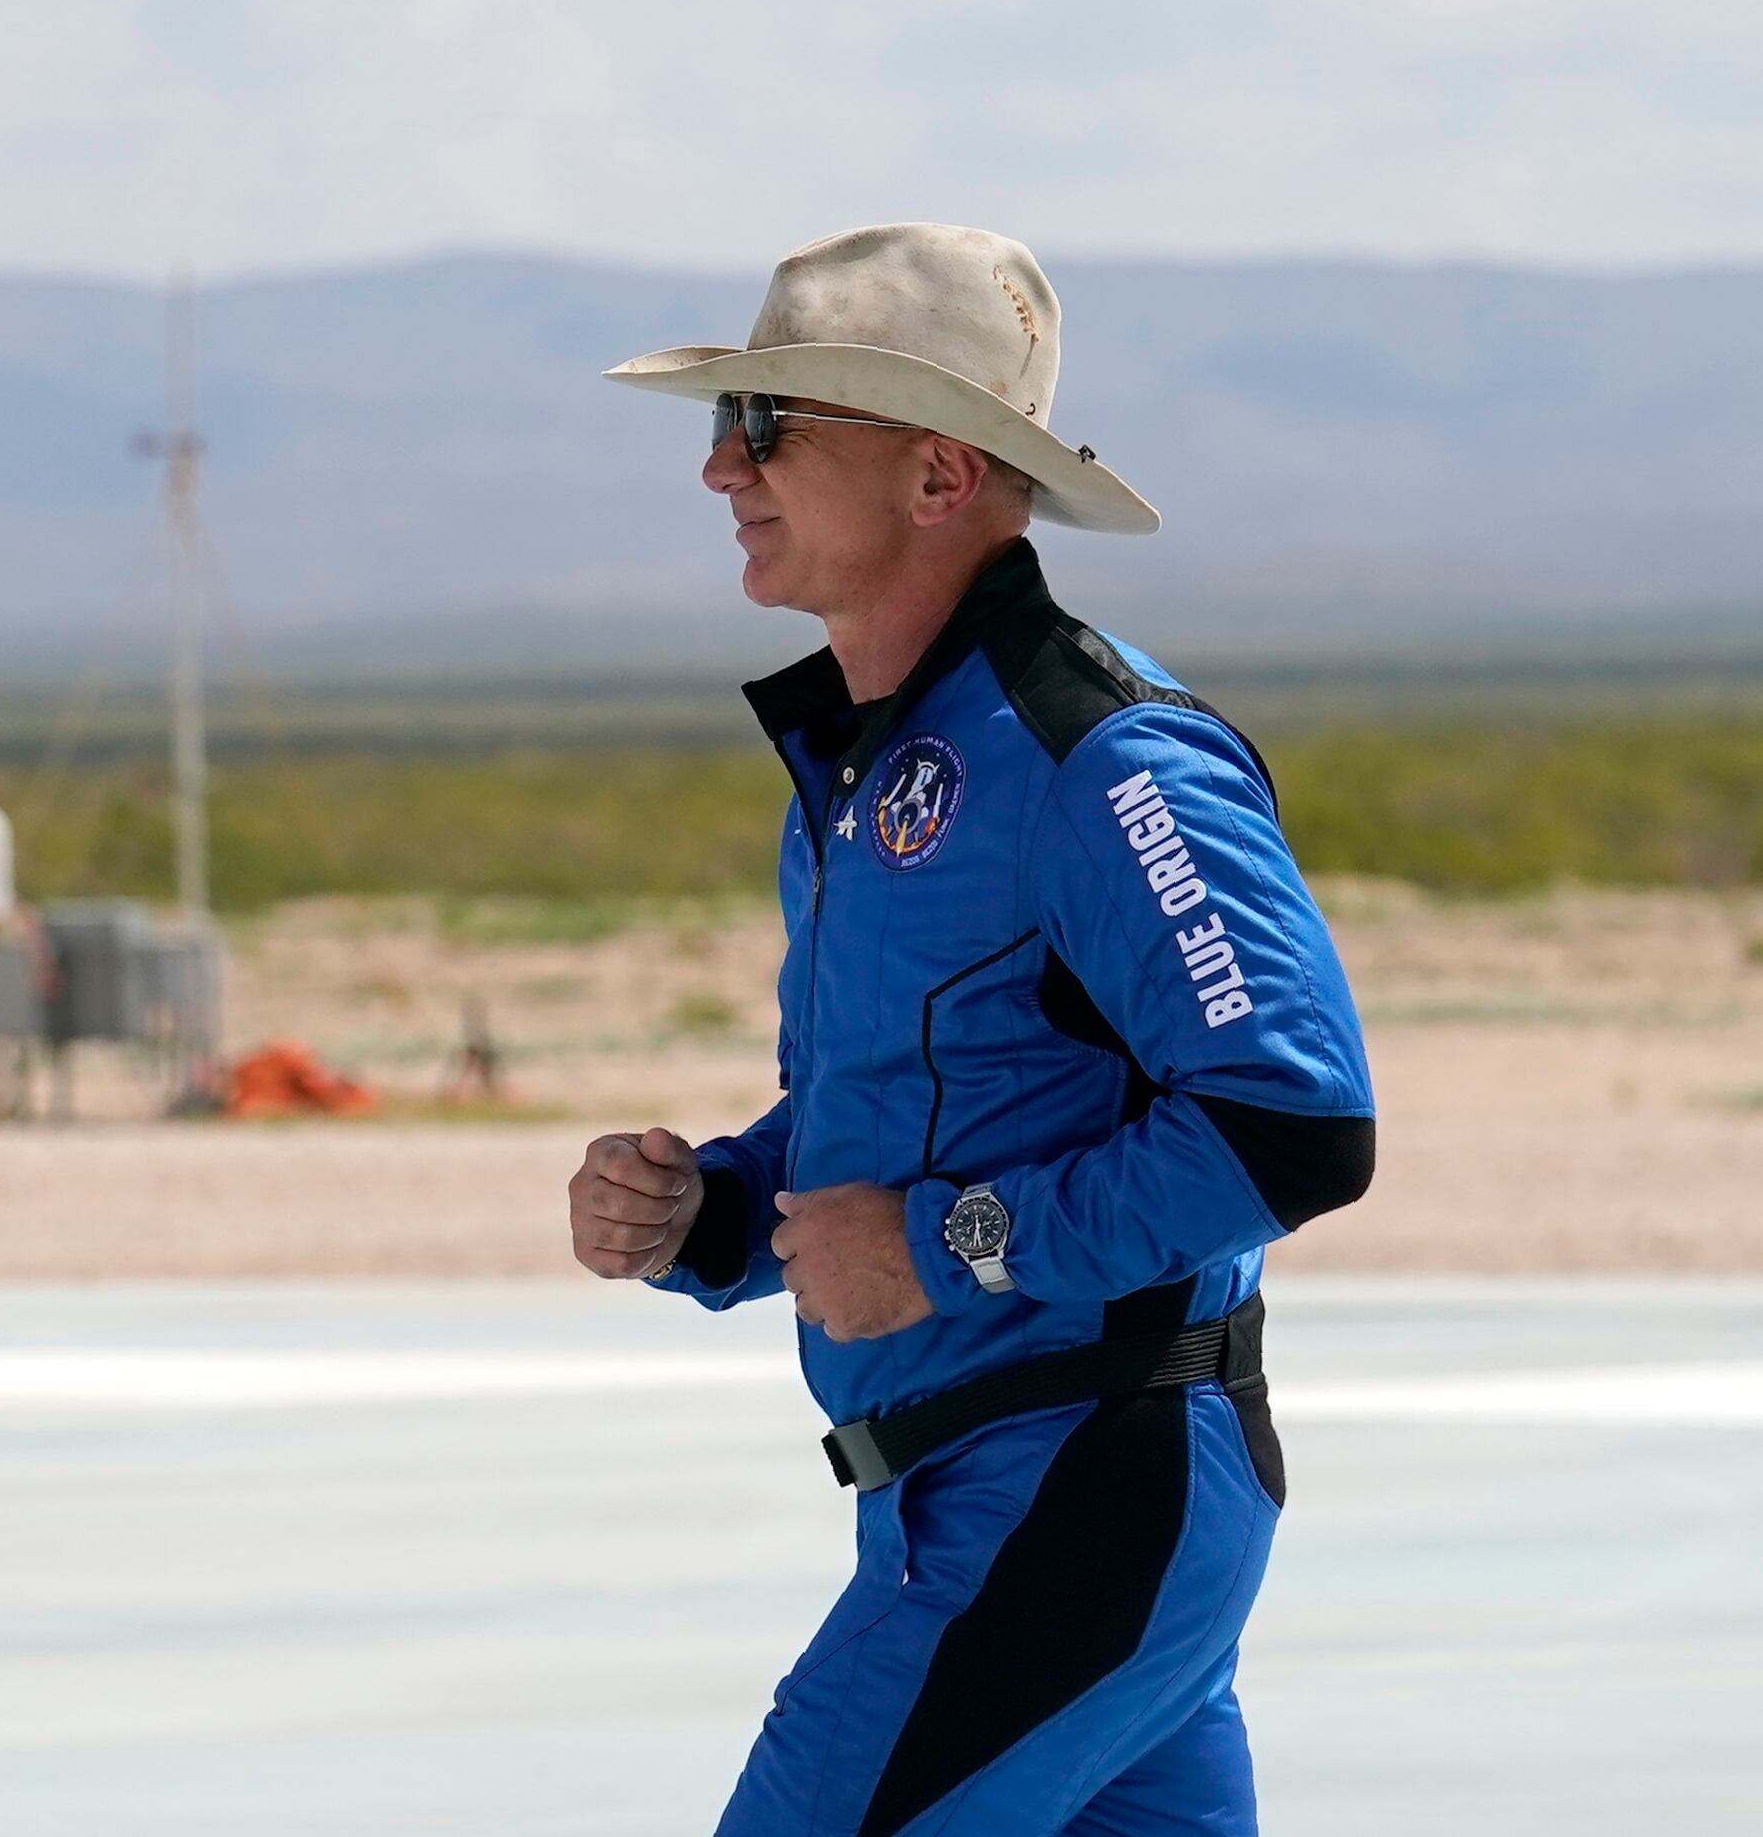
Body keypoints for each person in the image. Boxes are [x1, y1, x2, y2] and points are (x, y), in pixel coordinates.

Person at [566, 224, 1376, 1836]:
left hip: (1080, 1494)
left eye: (772, 423)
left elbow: (1294, 1128)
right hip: (987, 1494)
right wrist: (716, 1210)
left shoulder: (1106, 762)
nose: (724, 467)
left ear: (941, 478)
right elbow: (912, 1110)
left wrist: (948, 1247)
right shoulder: (868, 772)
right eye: (722, 422)